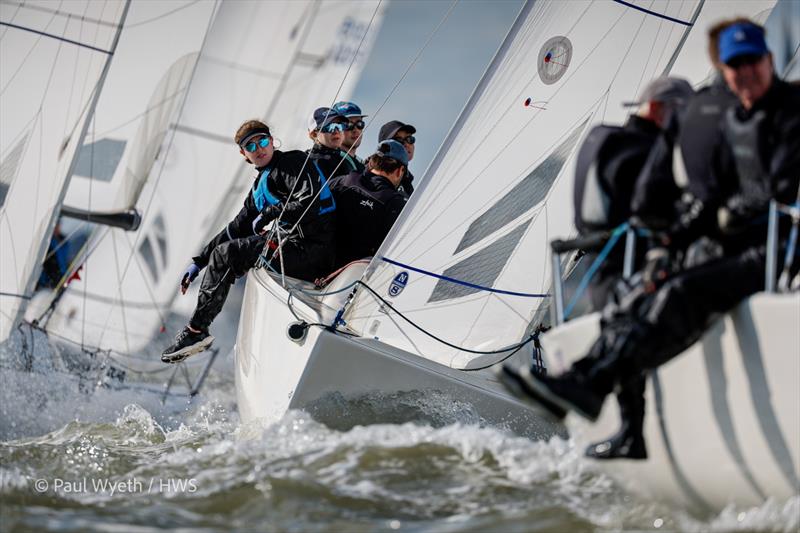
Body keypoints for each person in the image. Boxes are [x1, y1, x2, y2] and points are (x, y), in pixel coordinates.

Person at [501, 21, 800, 453]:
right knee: (635, 289)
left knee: (678, 293)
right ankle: (585, 384)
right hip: (732, 242)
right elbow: (708, 198)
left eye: (753, 62)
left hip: (777, 245)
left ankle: (594, 384)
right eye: (735, 66)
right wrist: (668, 245)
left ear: (770, 61)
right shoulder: (732, 119)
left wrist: (716, 216)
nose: (745, 73)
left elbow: (774, 190)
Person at [570, 76, 693, 460]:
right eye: (682, 116)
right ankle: (630, 431)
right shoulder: (646, 147)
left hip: (597, 259)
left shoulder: (603, 136)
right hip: (625, 260)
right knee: (628, 328)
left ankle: (628, 431)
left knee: (622, 330)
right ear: (658, 109)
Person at [161, 120, 337, 362]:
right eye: (250, 146)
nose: (259, 148)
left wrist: (271, 213)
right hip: (294, 249)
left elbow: (310, 203)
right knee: (225, 251)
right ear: (244, 154)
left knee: (228, 254)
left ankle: (196, 332)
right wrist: (199, 262)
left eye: (263, 141)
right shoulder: (259, 187)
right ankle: (203, 333)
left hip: (314, 251)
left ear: (272, 141)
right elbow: (236, 228)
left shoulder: (291, 163)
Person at [328, 140, 409, 266]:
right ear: (400, 170)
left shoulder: (342, 181)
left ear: (372, 162)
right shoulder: (396, 204)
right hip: (353, 279)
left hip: (314, 270)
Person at [307, 107, 358, 180]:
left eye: (340, 126)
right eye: (329, 127)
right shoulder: (314, 162)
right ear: (314, 134)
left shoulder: (342, 156)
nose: (336, 131)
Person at [378, 120, 417, 195]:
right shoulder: (370, 175)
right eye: (398, 140)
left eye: (410, 139)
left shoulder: (407, 179)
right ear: (384, 146)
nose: (406, 144)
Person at [333, 100, 368, 172]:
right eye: (348, 125)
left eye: (359, 124)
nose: (355, 130)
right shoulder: (332, 162)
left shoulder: (360, 164)